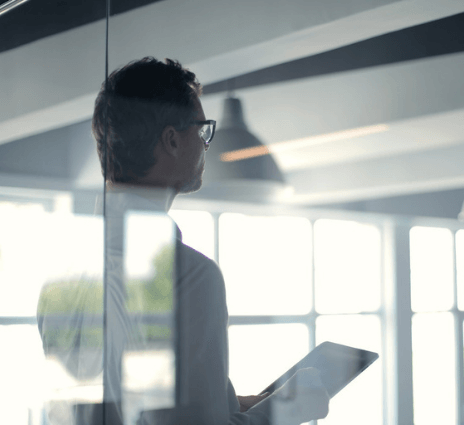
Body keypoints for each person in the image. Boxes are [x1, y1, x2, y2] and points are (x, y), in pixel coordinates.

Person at [58, 56, 328, 425]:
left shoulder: (66, 271)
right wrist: (292, 409)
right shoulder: (189, 276)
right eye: (202, 131)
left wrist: (227, 402)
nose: (206, 145)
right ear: (171, 140)